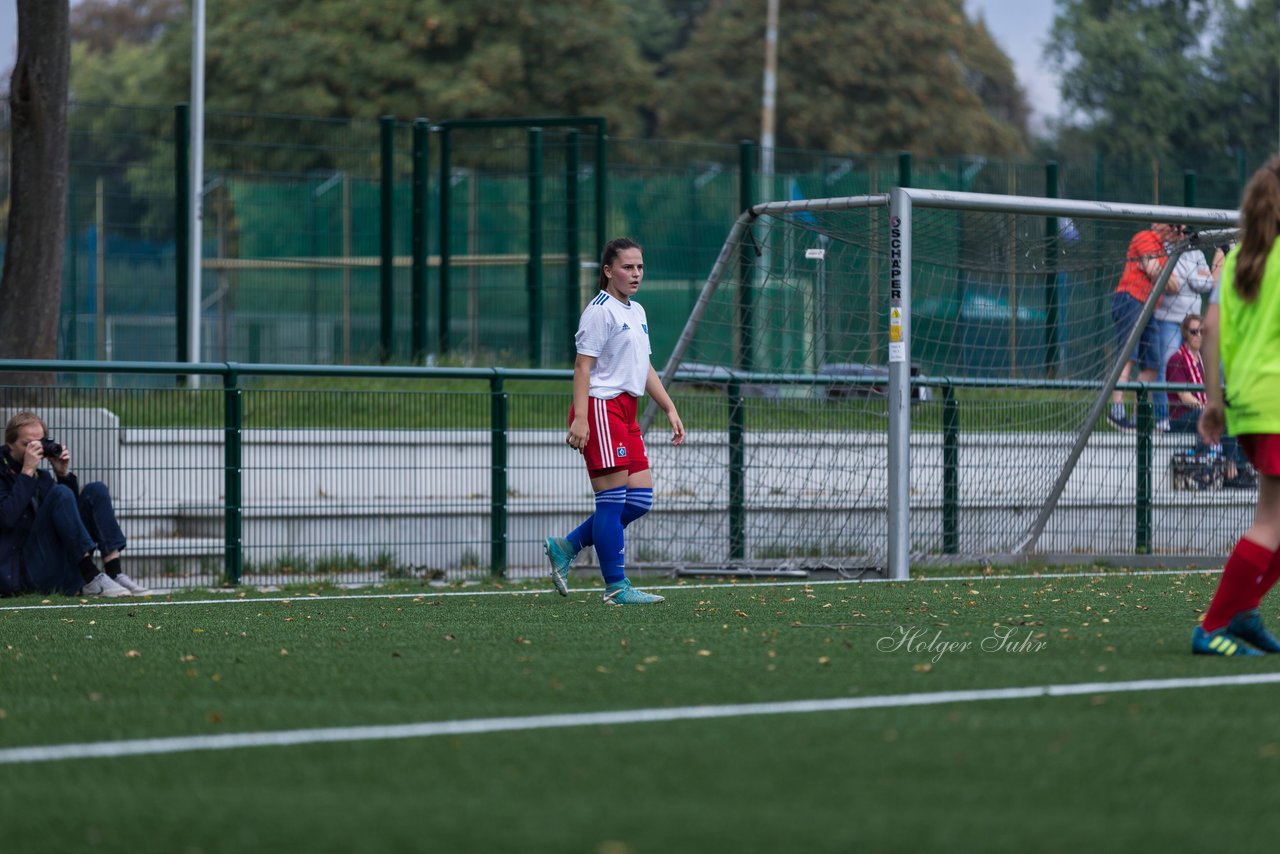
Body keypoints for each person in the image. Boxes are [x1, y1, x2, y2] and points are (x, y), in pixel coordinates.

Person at [542, 238, 685, 604]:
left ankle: (568, 545)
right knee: (612, 502)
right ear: (608, 271)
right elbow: (582, 367)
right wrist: (581, 420)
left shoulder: (637, 311)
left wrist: (669, 407)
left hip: (626, 411)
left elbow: (645, 367)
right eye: (627, 267)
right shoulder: (599, 311)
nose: (635, 273)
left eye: (639, 267)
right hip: (601, 409)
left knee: (638, 500)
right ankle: (616, 587)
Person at [1192, 157, 1280, 655]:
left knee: (1274, 519)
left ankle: (1242, 610)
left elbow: (1209, 332)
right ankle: (1214, 625)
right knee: (1270, 522)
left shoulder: (1242, 258)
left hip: (1249, 404)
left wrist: (1214, 402)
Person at [0, 411, 147, 597]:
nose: (35, 448)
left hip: (52, 562)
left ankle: (114, 572)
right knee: (60, 493)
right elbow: (6, 517)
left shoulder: (42, 477)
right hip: (20, 573)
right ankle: (90, 576)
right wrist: (27, 471)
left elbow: (71, 519)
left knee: (96, 491)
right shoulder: (6, 472)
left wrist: (63, 475)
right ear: (10, 444)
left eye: (40, 442)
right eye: (28, 444)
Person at [1108, 222, 1181, 431]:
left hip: (1148, 307)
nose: (1176, 232)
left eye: (1178, 229)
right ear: (1158, 224)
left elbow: (1173, 286)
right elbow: (1155, 272)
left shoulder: (1164, 253)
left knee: (1152, 364)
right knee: (1128, 355)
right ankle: (1117, 410)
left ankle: (1138, 416)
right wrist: (1157, 272)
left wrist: (1157, 270)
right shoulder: (1145, 237)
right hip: (1130, 299)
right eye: (1173, 226)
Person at [1150, 229, 1215, 430]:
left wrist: (1186, 275)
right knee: (1167, 367)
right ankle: (1163, 419)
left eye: (1184, 230)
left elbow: (1206, 283)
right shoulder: (1164, 249)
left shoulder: (1196, 253)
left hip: (1192, 315)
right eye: (1176, 229)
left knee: (1199, 365)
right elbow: (1173, 284)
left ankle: (1199, 417)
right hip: (1168, 318)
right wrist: (1193, 274)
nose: (1180, 234)